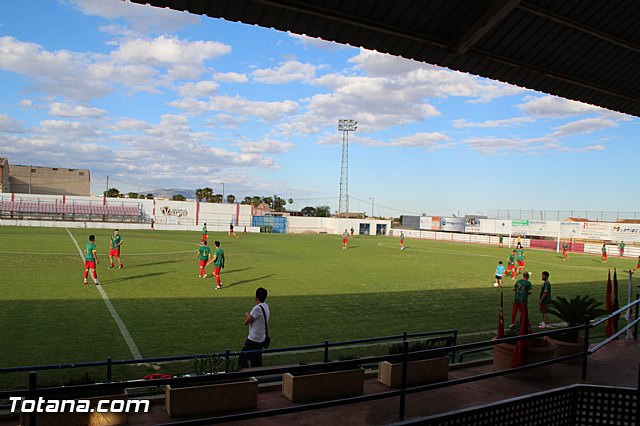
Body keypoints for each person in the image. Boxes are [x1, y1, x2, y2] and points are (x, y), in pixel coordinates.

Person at [239, 287, 270, 368]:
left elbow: (246, 322)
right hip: (261, 338)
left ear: (256, 297)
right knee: (256, 360)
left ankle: (245, 376)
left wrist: (247, 315)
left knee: (242, 358)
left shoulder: (257, 308)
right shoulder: (266, 306)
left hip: (254, 339)